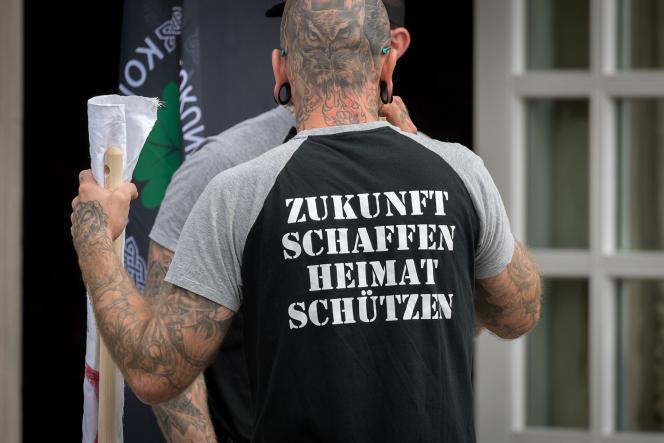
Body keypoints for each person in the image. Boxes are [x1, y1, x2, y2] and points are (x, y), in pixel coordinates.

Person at [71, 1, 541, 442]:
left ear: (281, 69)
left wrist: (95, 237)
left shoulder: (239, 193)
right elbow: (518, 312)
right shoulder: (459, 170)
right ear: (386, 63)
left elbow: (157, 372)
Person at [149, 2, 413, 441]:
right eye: (306, 30)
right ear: (282, 60)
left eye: (343, 29)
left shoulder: (436, 171)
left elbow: (484, 316)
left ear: (393, 49)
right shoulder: (222, 167)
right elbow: (167, 358)